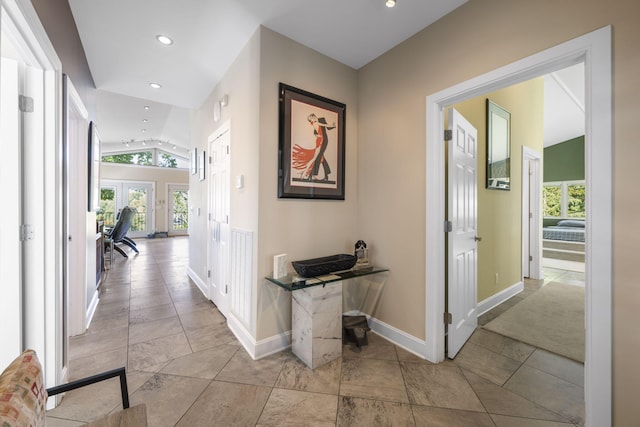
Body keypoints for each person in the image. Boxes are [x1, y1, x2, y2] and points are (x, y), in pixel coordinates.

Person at [292, 113, 335, 182]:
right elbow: (323, 126)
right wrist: (331, 125)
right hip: (320, 141)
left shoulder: (320, 120)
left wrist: (332, 126)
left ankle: (309, 174)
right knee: (318, 157)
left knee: (318, 157)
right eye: (311, 119)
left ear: (313, 116)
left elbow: (325, 128)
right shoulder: (316, 123)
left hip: (323, 140)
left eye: (311, 117)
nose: (312, 119)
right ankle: (312, 174)